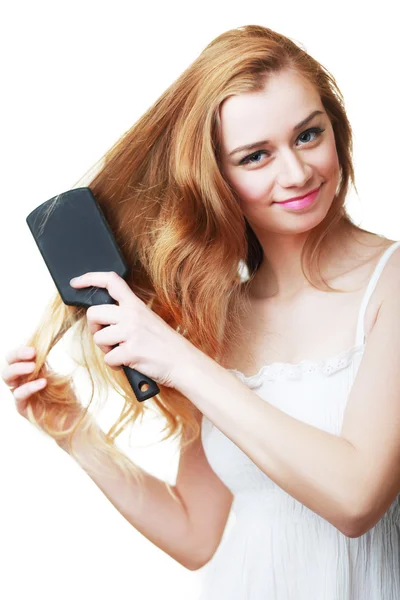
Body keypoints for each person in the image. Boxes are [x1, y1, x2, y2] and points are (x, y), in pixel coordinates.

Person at [2, 24, 400, 599]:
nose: (295, 173)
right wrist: (75, 434)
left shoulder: (388, 284)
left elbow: (356, 498)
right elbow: (197, 532)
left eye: (308, 135)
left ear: (335, 128)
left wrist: (178, 359)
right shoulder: (219, 320)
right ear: (217, 176)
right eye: (255, 155)